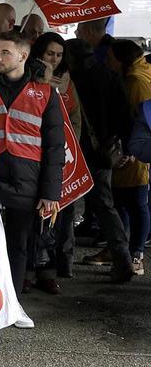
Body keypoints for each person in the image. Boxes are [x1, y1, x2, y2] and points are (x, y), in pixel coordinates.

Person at [0, 31, 64, 303]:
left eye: (5, 53)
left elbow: (56, 148)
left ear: (23, 55)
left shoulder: (46, 93)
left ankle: (12, 303)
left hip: (27, 180)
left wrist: (51, 193)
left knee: (19, 245)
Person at [65, 38, 134, 281]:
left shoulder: (73, 81)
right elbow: (126, 116)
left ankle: (64, 262)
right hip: (105, 152)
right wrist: (124, 147)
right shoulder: (110, 76)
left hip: (76, 151)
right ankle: (122, 257)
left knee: (66, 203)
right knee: (105, 205)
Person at [31, 32, 81, 281]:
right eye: (50, 53)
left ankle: (62, 264)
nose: (54, 58)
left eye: (59, 54)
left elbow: (75, 120)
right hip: (33, 156)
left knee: (64, 212)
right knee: (35, 213)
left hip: (62, 155)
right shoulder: (29, 80)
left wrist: (70, 148)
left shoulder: (67, 83)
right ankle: (34, 267)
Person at [108, 39, 151, 277]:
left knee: (136, 204)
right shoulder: (142, 72)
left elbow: (139, 118)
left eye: (111, 57)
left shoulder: (135, 81)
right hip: (132, 150)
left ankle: (135, 255)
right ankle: (124, 251)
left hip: (134, 153)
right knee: (128, 203)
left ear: (121, 60)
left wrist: (134, 151)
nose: (107, 61)